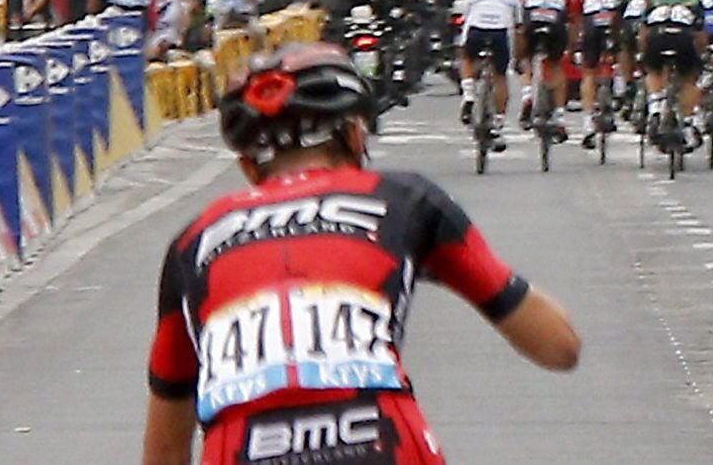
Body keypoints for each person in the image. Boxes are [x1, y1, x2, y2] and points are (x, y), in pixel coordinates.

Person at [146, 42, 578, 465]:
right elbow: (558, 347)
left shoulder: (193, 241)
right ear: (355, 136)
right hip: (377, 438)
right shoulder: (404, 199)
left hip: (241, 447)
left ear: (247, 166)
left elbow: (165, 448)